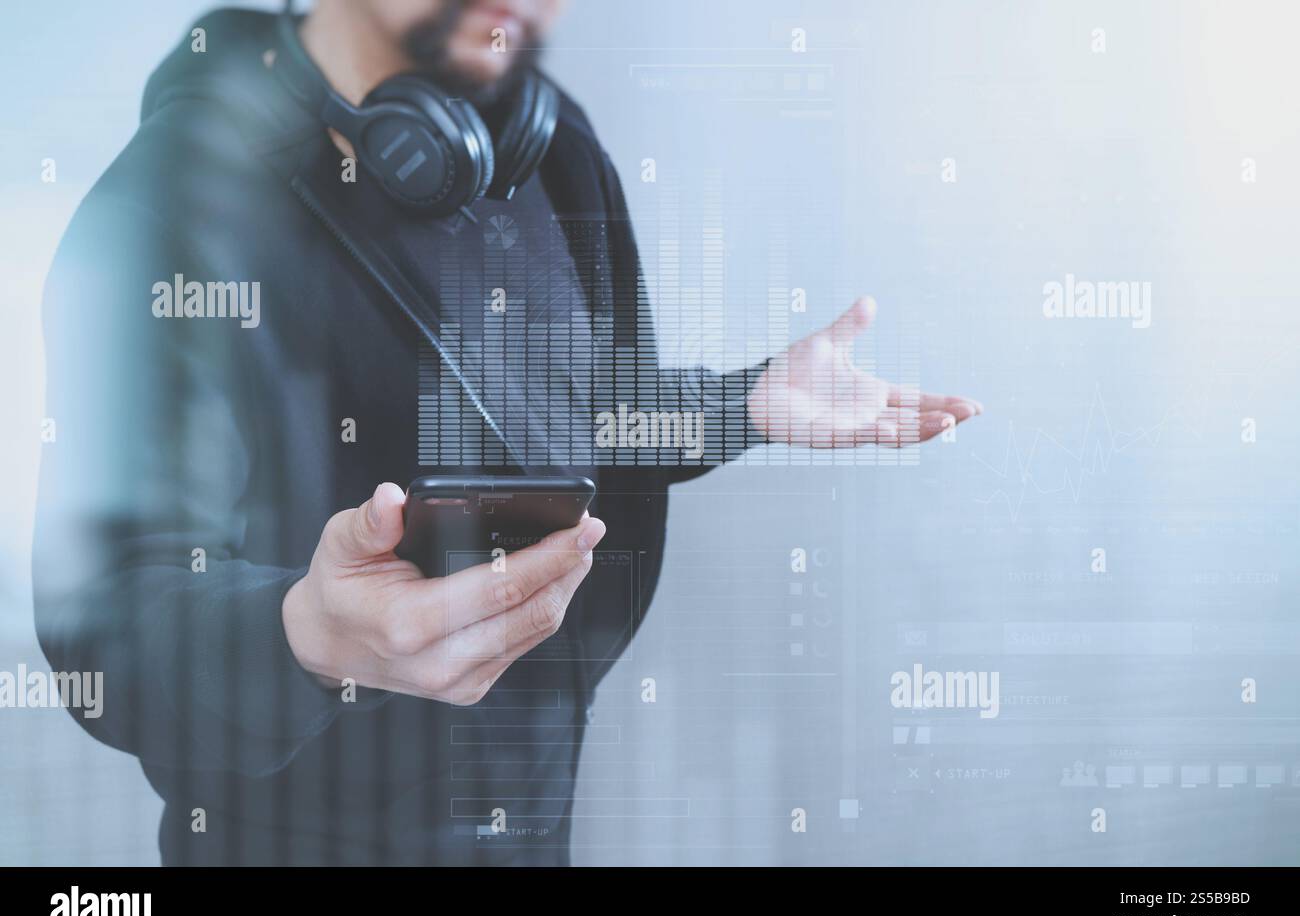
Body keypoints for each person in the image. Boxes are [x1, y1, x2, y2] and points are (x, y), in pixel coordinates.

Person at [33, 0, 981, 865]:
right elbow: (104, 628)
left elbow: (578, 413)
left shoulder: (549, 143)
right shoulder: (166, 206)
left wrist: (744, 404)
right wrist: (308, 638)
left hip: (533, 823)